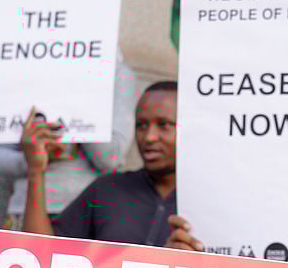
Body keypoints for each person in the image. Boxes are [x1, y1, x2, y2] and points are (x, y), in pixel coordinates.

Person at [0, 58, 139, 229]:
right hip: (26, 210)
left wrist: (77, 109)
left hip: (91, 217)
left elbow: (110, 158)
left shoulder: (117, 72)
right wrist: (32, 159)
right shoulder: (22, 66)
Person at [21, 81, 177, 245]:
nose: (149, 137)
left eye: (163, 125)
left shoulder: (203, 204)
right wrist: (36, 170)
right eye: (141, 125)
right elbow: (41, 252)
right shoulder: (107, 190)